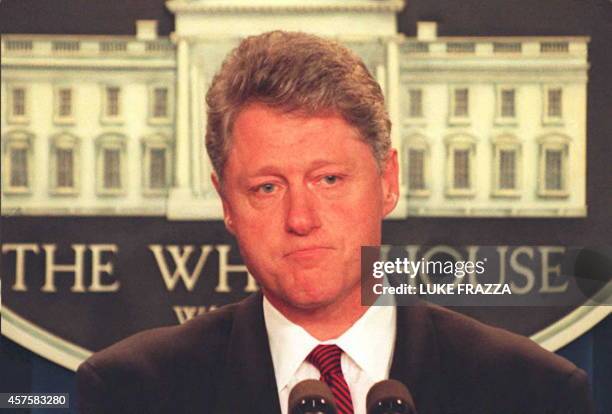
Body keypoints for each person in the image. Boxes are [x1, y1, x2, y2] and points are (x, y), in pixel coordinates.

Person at [76, 31, 593, 414]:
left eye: (328, 180)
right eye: (267, 188)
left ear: (388, 181)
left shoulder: (533, 391)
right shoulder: (131, 392)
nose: (300, 219)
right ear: (226, 205)